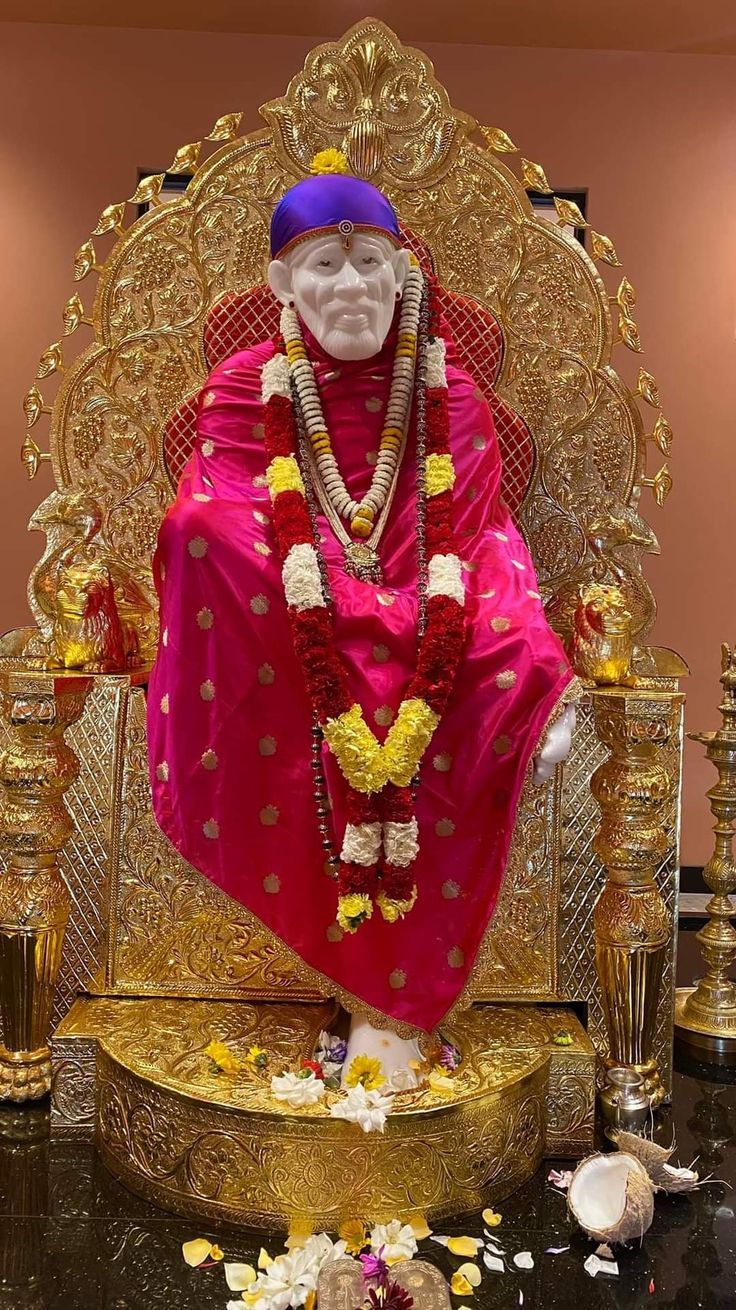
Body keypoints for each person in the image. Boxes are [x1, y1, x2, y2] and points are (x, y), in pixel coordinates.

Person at [147, 153, 578, 1070]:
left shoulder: (447, 390)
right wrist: (335, 588)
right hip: (287, 607)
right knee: (193, 528)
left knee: (514, 654)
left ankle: (401, 1000)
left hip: (431, 595)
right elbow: (221, 503)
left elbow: (472, 524)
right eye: (324, 265)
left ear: (404, 275)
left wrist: (403, 594)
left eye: (370, 263)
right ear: (282, 283)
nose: (350, 287)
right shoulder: (242, 386)